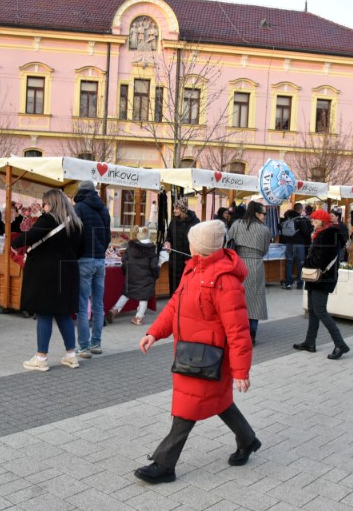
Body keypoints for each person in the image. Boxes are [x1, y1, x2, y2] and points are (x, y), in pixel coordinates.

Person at [135, 220, 259, 484]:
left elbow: (238, 330)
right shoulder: (193, 269)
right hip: (190, 354)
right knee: (220, 403)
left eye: (192, 240)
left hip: (209, 359)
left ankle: (164, 464)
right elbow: (173, 308)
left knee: (186, 408)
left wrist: (240, 371)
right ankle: (248, 440)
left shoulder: (224, 279)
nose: (188, 244)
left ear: (199, 246)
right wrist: (153, 333)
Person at [12, 189, 83, 371]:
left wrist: (14, 243)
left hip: (47, 274)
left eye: (44, 204)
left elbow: (29, 237)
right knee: (63, 313)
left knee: (44, 313)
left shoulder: (48, 219)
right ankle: (71, 355)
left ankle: (41, 357)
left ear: (51, 203)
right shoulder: (75, 223)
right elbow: (80, 250)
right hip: (67, 273)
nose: (42, 208)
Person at [292, 209, 349, 360]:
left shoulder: (329, 234)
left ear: (322, 221)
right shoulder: (321, 233)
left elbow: (322, 258)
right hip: (316, 277)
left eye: (314, 220)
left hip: (323, 278)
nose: (312, 222)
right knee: (312, 310)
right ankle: (310, 342)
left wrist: (306, 262)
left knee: (320, 310)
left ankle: (340, 343)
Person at [72, 180, 111, 358]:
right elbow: (108, 235)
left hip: (85, 259)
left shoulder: (78, 208)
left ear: (80, 191)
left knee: (82, 304)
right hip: (100, 260)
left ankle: (84, 347)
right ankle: (96, 343)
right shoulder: (103, 208)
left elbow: (74, 235)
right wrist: (101, 249)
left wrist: (77, 253)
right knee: (98, 303)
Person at [227, 201, 270, 343]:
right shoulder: (264, 230)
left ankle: (236, 331)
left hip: (237, 264)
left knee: (237, 299)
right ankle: (251, 334)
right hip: (256, 265)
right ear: (257, 214)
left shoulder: (236, 225)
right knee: (255, 300)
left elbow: (228, 243)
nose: (265, 216)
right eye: (264, 213)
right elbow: (265, 250)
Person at [106, 226, 159, 326]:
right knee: (143, 298)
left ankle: (114, 310)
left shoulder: (130, 248)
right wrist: (156, 275)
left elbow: (124, 261)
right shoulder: (151, 251)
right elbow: (154, 266)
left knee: (126, 294)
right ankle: (138, 318)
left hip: (131, 276)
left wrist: (126, 273)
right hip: (146, 278)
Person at [164, 197, 200, 295]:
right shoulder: (173, 222)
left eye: (176, 208)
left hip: (189, 259)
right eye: (174, 208)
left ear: (183, 209)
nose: (174, 211)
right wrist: (167, 243)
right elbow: (169, 237)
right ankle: (174, 307)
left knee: (189, 286)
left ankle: (187, 307)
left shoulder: (195, 222)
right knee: (175, 287)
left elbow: (199, 240)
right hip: (175, 261)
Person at [280, 202, 312, 290]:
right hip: (299, 244)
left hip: (289, 244)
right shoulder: (301, 219)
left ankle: (288, 283)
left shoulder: (287, 217)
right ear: (301, 210)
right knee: (300, 264)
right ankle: (299, 284)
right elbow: (305, 232)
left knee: (289, 263)